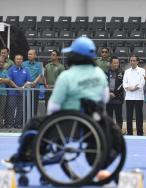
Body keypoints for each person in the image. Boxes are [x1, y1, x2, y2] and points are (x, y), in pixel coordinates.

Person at [3, 37, 112, 167]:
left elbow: (53, 107)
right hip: (91, 124)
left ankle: (22, 156)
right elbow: (105, 98)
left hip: (67, 124)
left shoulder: (67, 76)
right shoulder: (99, 74)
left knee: (34, 123)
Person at [5, 54, 31, 129]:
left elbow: (28, 81)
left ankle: (18, 124)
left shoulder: (26, 70)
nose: (19, 60)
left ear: (22, 60)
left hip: (23, 93)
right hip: (12, 93)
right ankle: (9, 124)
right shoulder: (11, 69)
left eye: (20, 59)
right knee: (11, 108)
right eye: (17, 59)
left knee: (20, 109)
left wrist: (22, 88)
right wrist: (17, 88)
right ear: (14, 60)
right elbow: (9, 80)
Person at [123, 55, 145, 135]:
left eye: (134, 60)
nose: (132, 62)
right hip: (129, 97)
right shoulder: (126, 71)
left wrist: (134, 88)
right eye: (131, 60)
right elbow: (124, 83)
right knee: (129, 116)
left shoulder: (142, 70)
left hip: (139, 96)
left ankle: (140, 132)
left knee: (139, 116)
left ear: (137, 61)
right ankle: (129, 132)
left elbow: (142, 82)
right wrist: (130, 88)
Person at [22, 49, 43, 115]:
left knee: (34, 106)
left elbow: (40, 75)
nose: (29, 55)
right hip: (26, 88)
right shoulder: (23, 64)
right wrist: (26, 83)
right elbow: (21, 74)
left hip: (35, 88)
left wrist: (34, 83)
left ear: (35, 55)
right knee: (25, 105)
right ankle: (25, 122)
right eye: (28, 54)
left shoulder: (39, 65)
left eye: (31, 54)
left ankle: (33, 122)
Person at [106, 56, 124, 130]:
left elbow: (123, 84)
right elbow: (104, 84)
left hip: (118, 98)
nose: (116, 64)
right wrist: (109, 93)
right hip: (108, 98)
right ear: (110, 63)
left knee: (119, 117)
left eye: (117, 63)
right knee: (108, 117)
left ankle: (118, 132)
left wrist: (115, 93)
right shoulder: (106, 72)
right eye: (115, 63)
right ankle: (109, 132)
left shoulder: (122, 72)